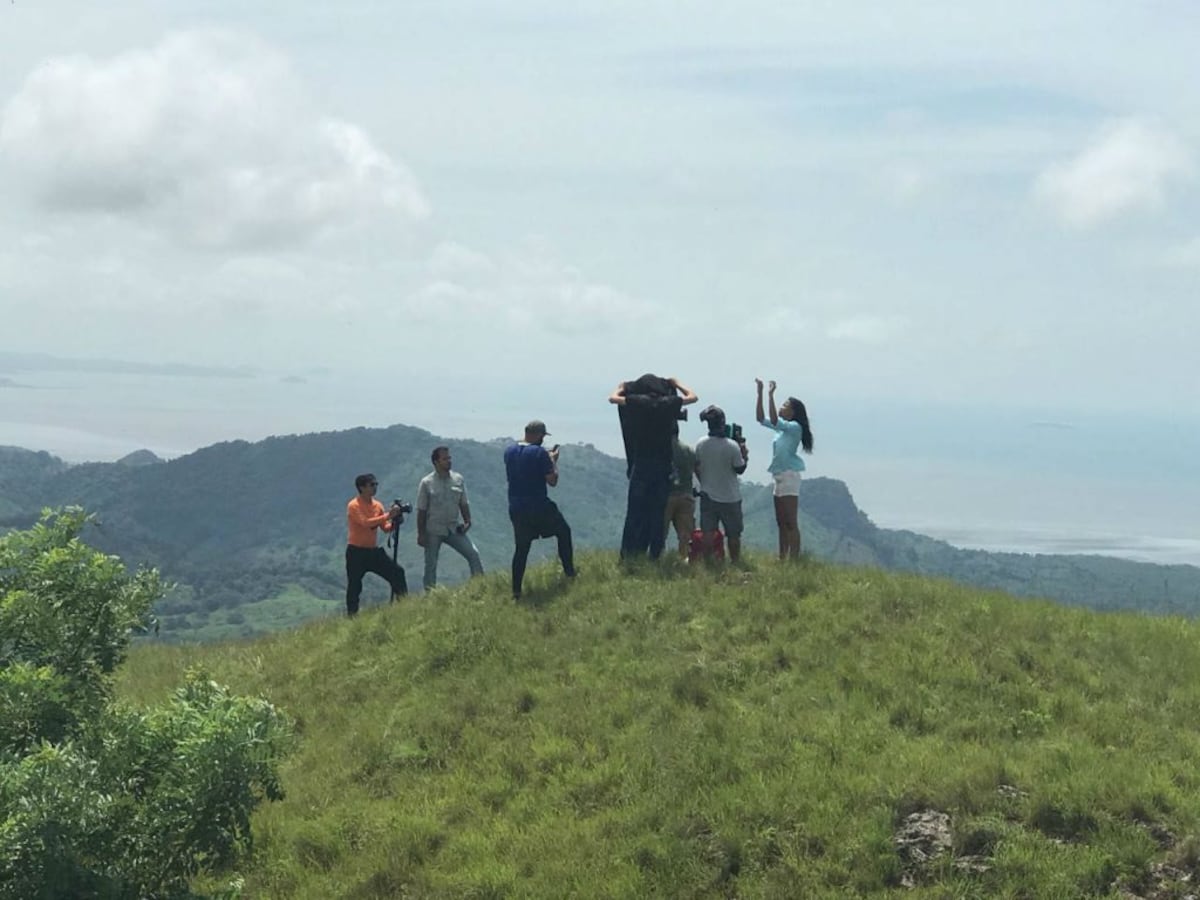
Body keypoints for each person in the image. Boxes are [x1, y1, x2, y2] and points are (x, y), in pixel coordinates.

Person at [608, 374, 699, 560]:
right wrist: (677, 383)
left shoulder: (638, 402)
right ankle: (655, 554)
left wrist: (621, 386)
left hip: (641, 464)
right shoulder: (668, 403)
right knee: (658, 513)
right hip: (663, 465)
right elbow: (693, 396)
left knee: (635, 511)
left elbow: (613, 398)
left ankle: (629, 554)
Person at [503, 420, 576, 600]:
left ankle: (516, 591)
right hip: (538, 505)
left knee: (521, 548)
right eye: (542, 436)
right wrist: (553, 461)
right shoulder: (539, 453)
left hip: (516, 507)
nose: (543, 440)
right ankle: (569, 572)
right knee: (563, 531)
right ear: (538, 435)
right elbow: (552, 481)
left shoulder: (509, 452)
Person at [755, 378, 815, 560]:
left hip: (789, 475)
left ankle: (794, 559)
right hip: (779, 475)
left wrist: (770, 395)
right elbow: (760, 418)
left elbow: (773, 419)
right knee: (781, 521)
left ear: (793, 412)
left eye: (785, 405)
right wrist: (759, 394)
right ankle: (782, 557)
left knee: (790, 521)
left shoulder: (794, 427)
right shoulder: (781, 431)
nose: (782, 407)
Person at [416, 445, 484, 591]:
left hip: (454, 528)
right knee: (431, 564)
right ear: (436, 462)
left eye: (449, 458)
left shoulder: (458, 479)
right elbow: (421, 510)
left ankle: (479, 587)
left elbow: (464, 503)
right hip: (433, 529)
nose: (449, 461)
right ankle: (430, 595)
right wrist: (421, 534)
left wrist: (468, 521)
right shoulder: (426, 482)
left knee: (473, 554)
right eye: (445, 459)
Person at [344, 472, 408, 617]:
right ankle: (352, 616)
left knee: (397, 572)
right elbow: (365, 523)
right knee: (354, 585)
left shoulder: (377, 505)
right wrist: (388, 515)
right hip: (356, 552)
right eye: (371, 485)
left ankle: (405, 605)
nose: (375, 487)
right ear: (362, 488)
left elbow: (384, 528)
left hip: (372, 552)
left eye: (376, 484)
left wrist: (395, 523)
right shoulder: (354, 506)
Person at [694, 405, 749, 562]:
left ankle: (709, 562)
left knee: (708, 532)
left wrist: (703, 482)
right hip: (730, 497)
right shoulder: (732, 446)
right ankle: (735, 561)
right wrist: (745, 454)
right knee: (733, 534)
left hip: (708, 494)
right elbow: (740, 469)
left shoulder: (701, 443)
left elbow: (696, 466)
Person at [663, 423, 697, 560]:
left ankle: (660, 559)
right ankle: (685, 560)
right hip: (686, 495)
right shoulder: (688, 450)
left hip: (666, 495)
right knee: (686, 535)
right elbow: (696, 469)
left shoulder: (661, 449)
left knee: (660, 533)